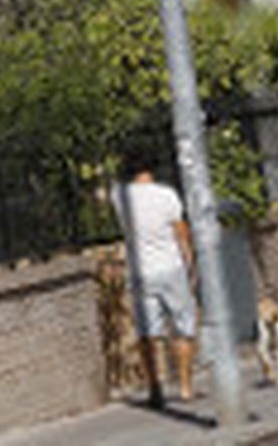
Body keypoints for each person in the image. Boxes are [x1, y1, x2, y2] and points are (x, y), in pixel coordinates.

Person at [111, 146, 197, 408]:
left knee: (148, 333)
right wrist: (190, 264)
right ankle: (185, 386)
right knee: (183, 327)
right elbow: (182, 234)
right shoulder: (167, 195)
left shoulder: (120, 196)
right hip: (171, 268)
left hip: (140, 272)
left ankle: (155, 389)